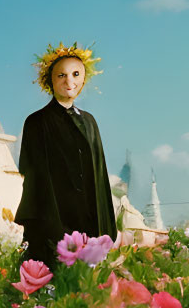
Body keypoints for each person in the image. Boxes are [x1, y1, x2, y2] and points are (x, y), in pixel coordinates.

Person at [15, 43, 117, 265]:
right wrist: (54, 231)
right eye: (61, 75)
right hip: (54, 219)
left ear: (83, 79)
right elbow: (34, 176)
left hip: (89, 220)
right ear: (50, 80)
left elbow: (100, 175)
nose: (69, 81)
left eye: (75, 74)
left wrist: (105, 231)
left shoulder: (90, 122)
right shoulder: (37, 121)